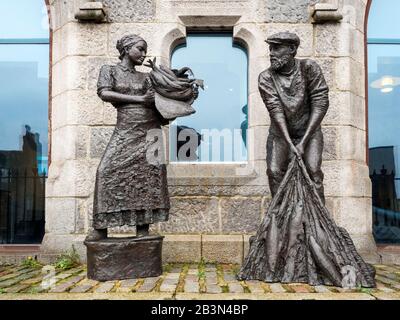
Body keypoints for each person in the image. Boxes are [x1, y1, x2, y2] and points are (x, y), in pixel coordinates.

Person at [86, 34, 170, 241]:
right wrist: (140, 98)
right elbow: (105, 93)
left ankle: (142, 228)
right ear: (126, 48)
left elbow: (158, 101)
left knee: (148, 176)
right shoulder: (110, 70)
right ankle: (101, 227)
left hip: (149, 129)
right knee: (105, 171)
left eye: (144, 50)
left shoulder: (146, 77)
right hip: (125, 127)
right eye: (140, 49)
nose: (143, 53)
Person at [259, 32, 329, 202]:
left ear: (291, 49)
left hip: (309, 133)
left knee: (313, 172)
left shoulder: (309, 68)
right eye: (270, 48)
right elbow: (275, 110)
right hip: (280, 135)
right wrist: (290, 144)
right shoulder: (266, 77)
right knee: (274, 171)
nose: (271, 53)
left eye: (276, 48)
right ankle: (281, 219)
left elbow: (320, 103)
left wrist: (303, 142)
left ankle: (321, 223)